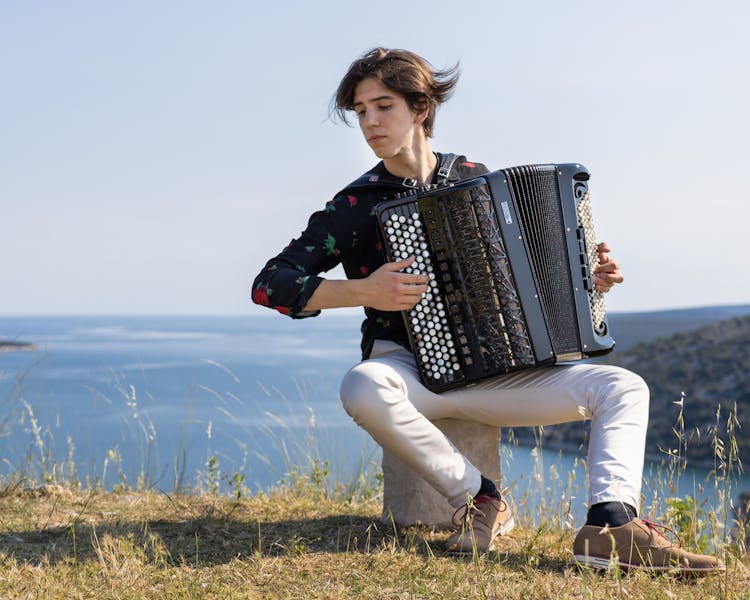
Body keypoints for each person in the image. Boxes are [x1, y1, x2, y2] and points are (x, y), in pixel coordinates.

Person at [252, 47, 725, 575]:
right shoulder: (354, 205)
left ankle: (611, 523)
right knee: (361, 386)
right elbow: (272, 285)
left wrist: (587, 284)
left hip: (496, 373)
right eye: (360, 110)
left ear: (421, 108)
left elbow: (522, 280)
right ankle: (480, 499)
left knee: (624, 387)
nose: (369, 122)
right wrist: (367, 290)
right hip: (412, 374)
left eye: (382, 105)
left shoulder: (475, 178)